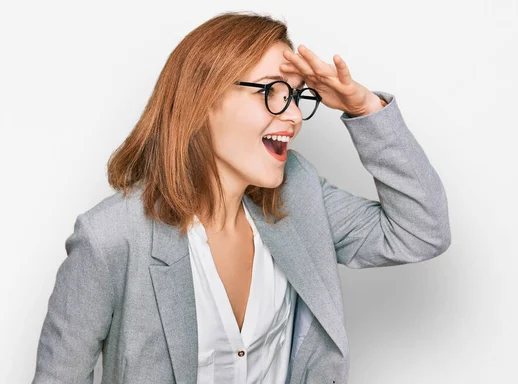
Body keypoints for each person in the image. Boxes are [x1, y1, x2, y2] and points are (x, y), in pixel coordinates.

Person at [32, 10, 451, 384]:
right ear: (204, 99)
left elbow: (421, 231)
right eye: (272, 91)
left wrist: (364, 108)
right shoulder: (111, 237)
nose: (291, 116)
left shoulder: (300, 193)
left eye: (297, 95)